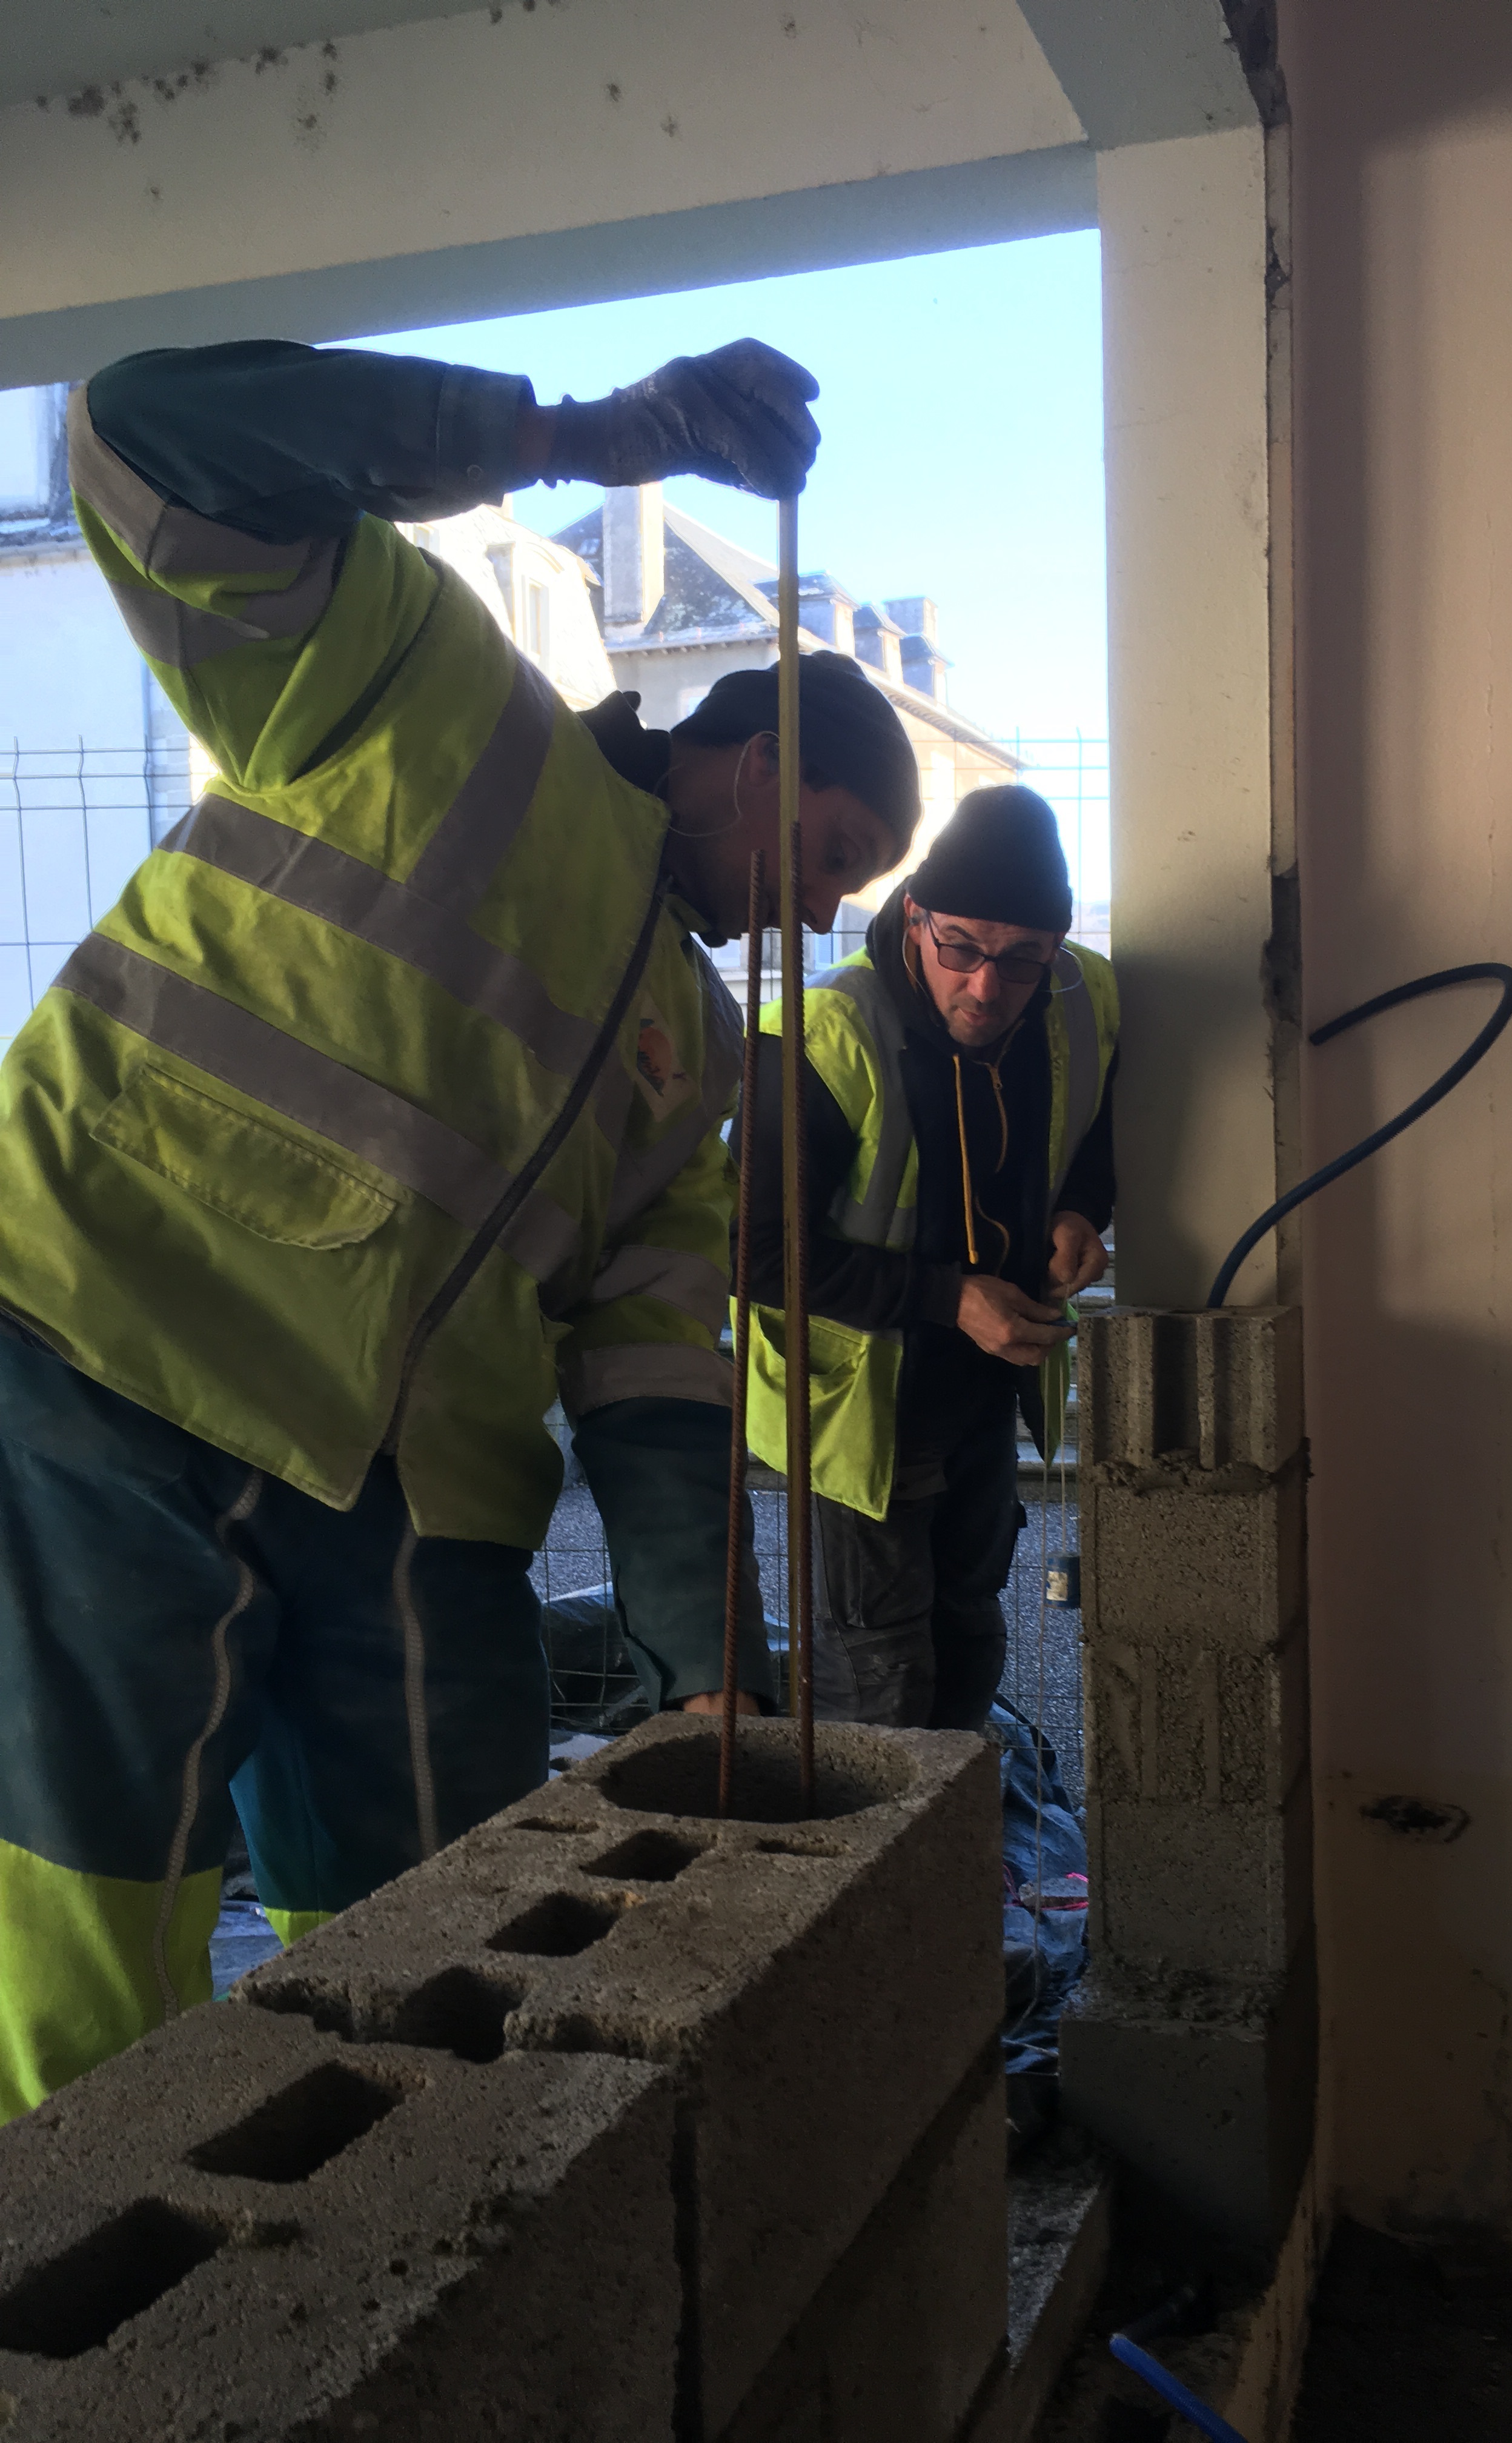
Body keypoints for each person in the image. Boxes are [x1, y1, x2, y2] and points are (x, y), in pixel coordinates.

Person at [0, 334, 921, 2122]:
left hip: (415, 1512)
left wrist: (713, 1685)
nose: (821, 905)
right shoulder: (428, 684)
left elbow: (657, 1390)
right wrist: (576, 436)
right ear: (744, 750)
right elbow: (140, 433)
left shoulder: (703, 1057)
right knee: (92, 1928)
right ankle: (83, 2330)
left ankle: (379, 2294)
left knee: (443, 1953)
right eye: (827, 848)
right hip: (111, 1364)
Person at [744, 785, 1119, 1728]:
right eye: (962, 949)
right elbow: (750, 1252)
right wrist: (951, 1299)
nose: (987, 988)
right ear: (915, 918)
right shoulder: (819, 1038)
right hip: (861, 1407)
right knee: (877, 1683)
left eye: (1023, 961)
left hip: (988, 1391)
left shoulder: (1079, 998)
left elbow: (1104, 1118)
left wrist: (1082, 1206)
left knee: (969, 1640)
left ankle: (957, 1869)